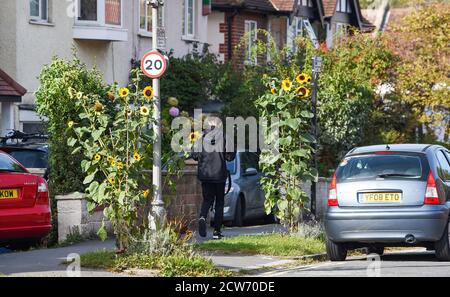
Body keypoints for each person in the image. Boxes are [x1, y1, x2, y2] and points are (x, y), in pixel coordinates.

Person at [192, 117, 235, 239]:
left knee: (207, 200)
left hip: (205, 175)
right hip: (219, 175)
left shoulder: (201, 139)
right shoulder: (225, 137)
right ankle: (216, 232)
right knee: (219, 203)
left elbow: (194, 155)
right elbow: (230, 156)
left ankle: (202, 217)